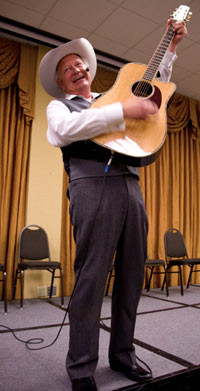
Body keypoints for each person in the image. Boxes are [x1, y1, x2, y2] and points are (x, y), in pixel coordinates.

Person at [39, 19, 187, 391]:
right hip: (90, 186)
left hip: (130, 185)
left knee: (133, 274)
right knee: (91, 278)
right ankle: (81, 368)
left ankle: (123, 354)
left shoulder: (111, 98)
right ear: (61, 82)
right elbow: (64, 132)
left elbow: (152, 89)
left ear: (89, 71)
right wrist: (124, 112)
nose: (77, 70)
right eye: (68, 69)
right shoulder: (59, 108)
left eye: (81, 65)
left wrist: (169, 47)